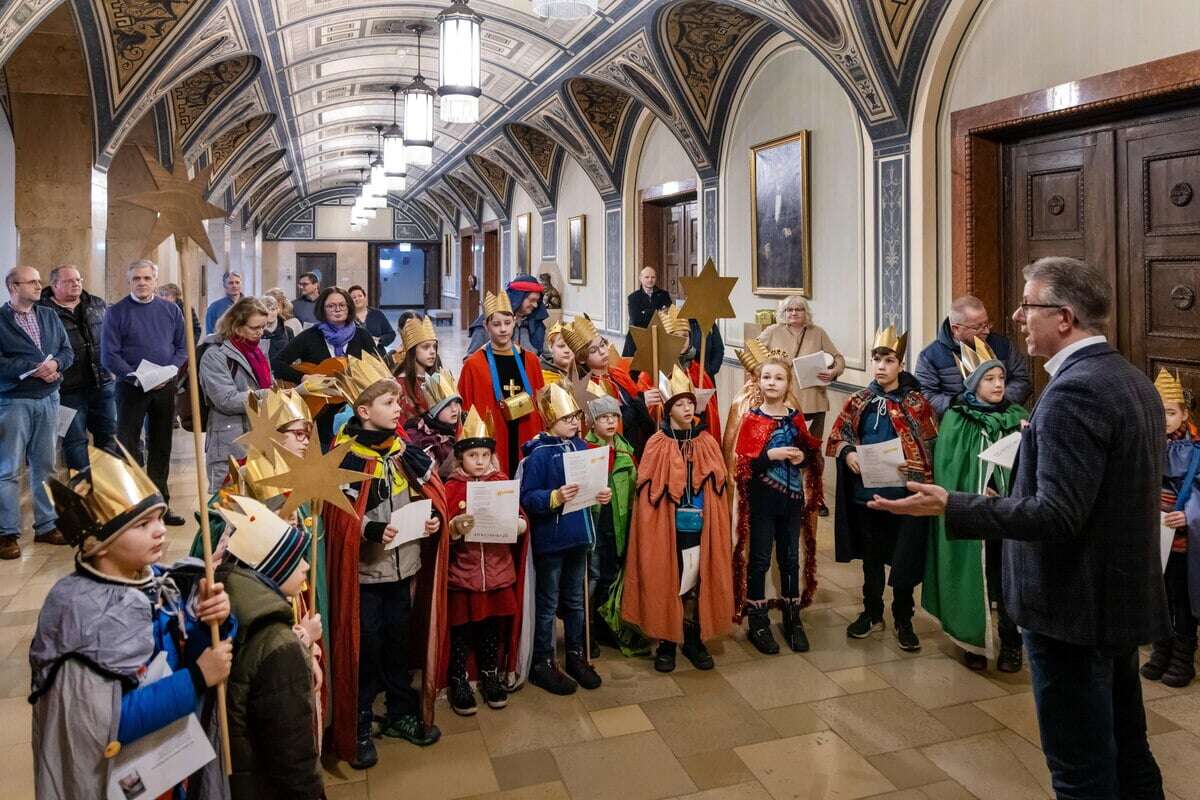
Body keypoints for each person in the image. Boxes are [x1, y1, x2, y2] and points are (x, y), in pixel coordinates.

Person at [869, 257, 1169, 799]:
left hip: (1071, 608)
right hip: (1117, 598)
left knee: (1081, 772)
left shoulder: (1075, 392)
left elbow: (1056, 514)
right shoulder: (1128, 378)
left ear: (1064, 316)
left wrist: (953, 506)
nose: (1016, 316)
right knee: (1129, 750)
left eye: (1027, 305)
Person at [32, 444, 233, 799]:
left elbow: (178, 655)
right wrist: (198, 678)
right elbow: (106, 724)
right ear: (100, 545)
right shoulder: (83, 612)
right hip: (121, 775)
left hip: (168, 761)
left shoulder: (155, 581)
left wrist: (207, 620)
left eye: (159, 518)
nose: (160, 531)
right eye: (143, 524)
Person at [322, 353, 444, 768]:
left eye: (397, 402)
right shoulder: (344, 456)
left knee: (398, 642)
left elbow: (427, 495)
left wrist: (431, 522)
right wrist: (368, 530)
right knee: (366, 646)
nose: (398, 409)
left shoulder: (401, 450)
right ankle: (357, 720)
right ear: (363, 411)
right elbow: (337, 517)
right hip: (365, 573)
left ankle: (399, 713)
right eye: (389, 404)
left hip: (403, 565)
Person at [825, 326, 936, 653]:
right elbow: (837, 436)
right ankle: (872, 611)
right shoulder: (859, 400)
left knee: (903, 558)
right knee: (871, 557)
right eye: (876, 359)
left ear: (900, 364)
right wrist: (848, 453)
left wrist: (913, 465)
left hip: (904, 494)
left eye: (888, 360)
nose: (881, 366)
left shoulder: (916, 403)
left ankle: (904, 617)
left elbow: (929, 444)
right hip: (868, 495)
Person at [923, 338, 1027, 673]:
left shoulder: (1018, 416)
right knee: (974, 574)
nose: (999, 385)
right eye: (990, 379)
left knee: (1008, 577)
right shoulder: (957, 419)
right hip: (975, 517)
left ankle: (1012, 644)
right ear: (973, 383)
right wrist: (979, 492)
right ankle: (972, 641)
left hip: (1011, 517)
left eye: (1001, 379)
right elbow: (951, 469)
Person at [622, 366, 734, 673]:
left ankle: (694, 637)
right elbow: (648, 491)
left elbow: (718, 483)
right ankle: (668, 641)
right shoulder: (657, 442)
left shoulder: (706, 441)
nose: (687, 409)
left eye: (690, 403)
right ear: (669, 409)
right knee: (668, 579)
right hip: (666, 528)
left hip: (700, 525)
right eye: (680, 404)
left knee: (697, 580)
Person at [217, 494, 323, 800]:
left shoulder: (235, 603)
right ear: (273, 570)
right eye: (295, 560)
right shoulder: (280, 646)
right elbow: (292, 752)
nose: (305, 567)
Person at [519, 383, 607, 695]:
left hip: (579, 536)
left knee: (575, 600)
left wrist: (601, 493)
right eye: (567, 417)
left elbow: (592, 485)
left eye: (576, 417)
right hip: (552, 541)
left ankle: (575, 655)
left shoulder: (582, 447)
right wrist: (554, 496)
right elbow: (528, 497)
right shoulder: (539, 455)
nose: (574, 422)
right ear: (550, 419)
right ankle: (543, 661)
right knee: (547, 604)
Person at [732, 355, 824, 655]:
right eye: (767, 377)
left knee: (790, 558)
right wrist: (770, 457)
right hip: (763, 501)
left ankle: (792, 617)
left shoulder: (795, 418)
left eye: (778, 378)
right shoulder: (752, 419)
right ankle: (757, 619)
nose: (772, 382)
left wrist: (802, 457)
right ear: (759, 382)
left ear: (788, 384)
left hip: (792, 500)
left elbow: (810, 454)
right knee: (759, 559)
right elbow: (744, 467)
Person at [440, 407, 529, 714]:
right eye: (472, 456)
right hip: (463, 574)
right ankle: (459, 678)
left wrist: (518, 524)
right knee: (461, 630)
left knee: (491, 628)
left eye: (484, 456)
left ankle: (491, 675)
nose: (479, 462)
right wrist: (454, 528)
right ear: (460, 458)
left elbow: (519, 518)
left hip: (496, 572)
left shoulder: (501, 482)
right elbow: (442, 531)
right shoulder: (451, 487)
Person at [103, 260, 187, 526]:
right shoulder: (116, 312)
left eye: (147, 278)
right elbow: (109, 355)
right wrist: (136, 377)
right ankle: (133, 508)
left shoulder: (171, 309)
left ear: (155, 280)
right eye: (136, 278)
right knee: (127, 445)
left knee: (161, 444)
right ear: (129, 282)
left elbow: (182, 346)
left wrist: (171, 370)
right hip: (131, 387)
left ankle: (161, 503)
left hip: (164, 385)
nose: (142, 283)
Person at [0, 266, 74, 556]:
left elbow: (67, 352)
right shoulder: (2, 319)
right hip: (14, 401)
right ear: (13, 287)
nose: (38, 285)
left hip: (49, 398)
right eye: (31, 282)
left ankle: (46, 526)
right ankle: (6, 533)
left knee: (46, 465)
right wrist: (32, 369)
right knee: (8, 468)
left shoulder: (48, 315)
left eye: (38, 281)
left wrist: (55, 366)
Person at [271, 286, 385, 450]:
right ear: (322, 310)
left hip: (356, 416)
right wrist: (302, 378)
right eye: (331, 306)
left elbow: (379, 371)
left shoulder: (362, 336)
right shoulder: (310, 336)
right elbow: (277, 363)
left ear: (349, 307)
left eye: (342, 305)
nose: (337, 309)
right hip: (319, 416)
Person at [1142, 369, 1198, 688]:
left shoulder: (1196, 451)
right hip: (1151, 540)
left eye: (1171, 412)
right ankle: (1160, 651)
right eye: (1157, 411)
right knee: (1156, 596)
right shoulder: (1144, 444)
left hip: (1181, 543)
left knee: (1181, 599)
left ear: (1184, 414)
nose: (1164, 419)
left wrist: (1188, 516)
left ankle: (1183, 657)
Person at [583, 391, 647, 657]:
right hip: (596, 523)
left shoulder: (625, 449)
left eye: (614, 417)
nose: (610, 422)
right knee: (593, 578)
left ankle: (608, 624)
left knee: (611, 574)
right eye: (603, 417)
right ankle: (588, 630)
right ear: (592, 422)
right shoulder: (585, 450)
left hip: (618, 524)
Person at [458, 290, 545, 476]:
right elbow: (465, 412)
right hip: (494, 437)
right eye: (496, 324)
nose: (503, 329)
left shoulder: (530, 361)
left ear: (515, 321)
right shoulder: (474, 365)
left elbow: (540, 404)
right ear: (486, 326)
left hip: (525, 431)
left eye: (507, 323)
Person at [39, 265, 114, 473]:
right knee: (75, 441)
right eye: (69, 281)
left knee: (110, 437)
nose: (76, 284)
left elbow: (110, 337)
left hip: (103, 384)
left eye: (79, 280)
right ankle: (83, 495)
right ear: (54, 285)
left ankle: (110, 492)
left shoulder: (96, 304)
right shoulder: (42, 310)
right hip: (67, 389)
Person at [915, 294, 1031, 417]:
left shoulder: (1003, 345)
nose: (986, 331)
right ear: (956, 329)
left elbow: (1022, 380)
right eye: (978, 327)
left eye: (987, 324)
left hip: (1001, 421)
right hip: (956, 426)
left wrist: (998, 400)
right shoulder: (930, 356)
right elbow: (926, 396)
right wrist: (961, 403)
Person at [199, 297, 273, 488]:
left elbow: (268, 385)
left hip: (259, 436)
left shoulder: (257, 352)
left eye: (263, 327)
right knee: (228, 505)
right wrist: (268, 395)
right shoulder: (215, 355)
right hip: (230, 441)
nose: (260, 332)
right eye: (254, 327)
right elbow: (226, 400)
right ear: (237, 327)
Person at [562, 315, 655, 452]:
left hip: (634, 444)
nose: (602, 351)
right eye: (593, 351)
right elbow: (608, 423)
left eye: (602, 344)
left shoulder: (618, 375)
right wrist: (640, 402)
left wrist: (642, 399)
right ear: (582, 359)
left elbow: (632, 402)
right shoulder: (585, 388)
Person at [403, 369, 463, 480]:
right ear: (435, 411)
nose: (455, 409)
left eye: (457, 403)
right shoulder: (418, 436)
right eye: (447, 405)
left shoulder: (462, 430)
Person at [466, 274, 548, 355]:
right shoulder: (487, 325)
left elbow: (545, 356)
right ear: (519, 297)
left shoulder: (535, 325)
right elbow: (470, 359)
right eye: (532, 300)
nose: (535, 305)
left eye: (537, 301)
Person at [394, 315, 443, 422]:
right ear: (412, 351)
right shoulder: (400, 385)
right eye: (426, 347)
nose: (432, 351)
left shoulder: (437, 377)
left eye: (434, 346)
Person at [622, 266, 672, 360]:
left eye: (653, 277)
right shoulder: (633, 297)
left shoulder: (664, 295)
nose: (650, 280)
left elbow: (668, 316)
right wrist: (657, 312)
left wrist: (645, 312)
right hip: (638, 338)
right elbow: (636, 320)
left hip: (659, 337)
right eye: (647, 277)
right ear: (640, 278)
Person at [348, 284, 396, 350]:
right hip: (355, 356)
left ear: (365, 297)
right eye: (354, 297)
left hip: (377, 354)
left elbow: (391, 334)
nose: (357, 299)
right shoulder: (347, 317)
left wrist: (379, 340)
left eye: (360, 296)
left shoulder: (377, 314)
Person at [259, 294, 295, 364]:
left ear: (278, 310)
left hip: (283, 373)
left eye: (273, 309)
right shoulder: (255, 333)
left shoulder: (288, 331)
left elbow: (293, 358)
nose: (270, 313)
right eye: (267, 310)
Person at [205, 270, 244, 334]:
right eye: (231, 283)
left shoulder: (249, 305)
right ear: (224, 285)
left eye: (237, 282)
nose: (234, 285)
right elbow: (210, 334)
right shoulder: (214, 308)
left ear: (241, 284)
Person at [539, 322, 575, 386]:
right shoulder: (539, 377)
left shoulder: (584, 377)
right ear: (550, 347)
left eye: (572, 346)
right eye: (561, 346)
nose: (567, 350)